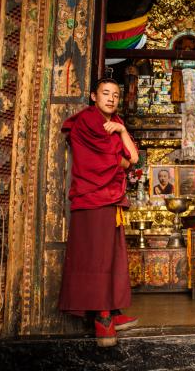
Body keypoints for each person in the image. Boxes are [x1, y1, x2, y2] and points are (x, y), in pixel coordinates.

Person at [58, 78, 139, 347]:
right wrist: (121, 157)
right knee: (96, 258)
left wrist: (122, 129)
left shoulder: (112, 123)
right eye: (105, 93)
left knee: (112, 256)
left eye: (116, 95)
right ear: (94, 96)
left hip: (108, 199)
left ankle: (112, 311)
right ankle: (102, 318)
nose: (111, 99)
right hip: (92, 198)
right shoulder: (87, 122)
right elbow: (110, 159)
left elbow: (133, 158)